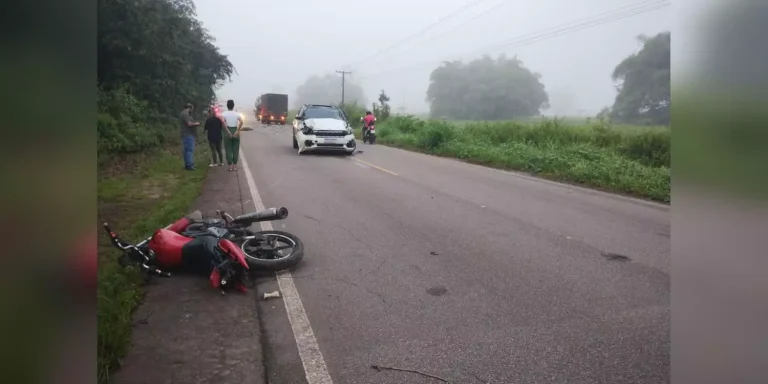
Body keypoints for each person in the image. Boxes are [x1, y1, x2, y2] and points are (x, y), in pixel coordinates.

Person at [221, 99, 244, 171]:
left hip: (228, 131)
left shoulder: (224, 114)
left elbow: (223, 123)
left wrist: (227, 131)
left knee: (228, 149)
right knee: (235, 149)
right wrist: (237, 131)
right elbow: (241, 122)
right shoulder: (237, 114)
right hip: (235, 130)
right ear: (233, 106)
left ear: (227, 106)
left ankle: (230, 166)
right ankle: (235, 166)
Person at [179, 103, 201, 170]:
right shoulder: (186, 114)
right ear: (189, 108)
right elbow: (189, 124)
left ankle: (187, 164)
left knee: (186, 150)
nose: (192, 111)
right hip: (188, 134)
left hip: (184, 134)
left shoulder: (181, 114)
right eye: (192, 109)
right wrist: (196, 124)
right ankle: (190, 165)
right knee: (190, 150)